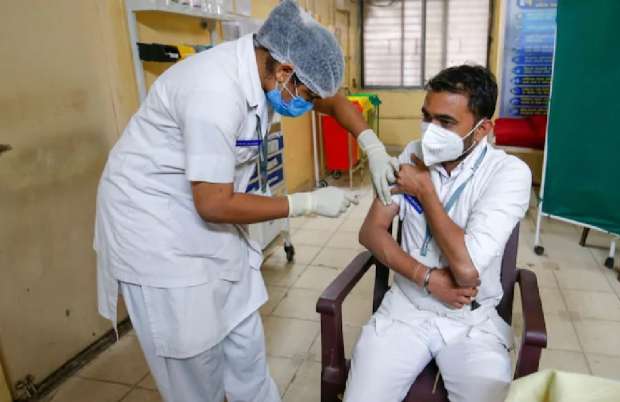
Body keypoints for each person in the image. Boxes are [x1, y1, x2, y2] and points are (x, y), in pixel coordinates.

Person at [93, 1, 397, 401]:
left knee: (243, 342)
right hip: (157, 231)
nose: (309, 104)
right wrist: (303, 204)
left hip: (209, 218)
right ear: (285, 72)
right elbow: (213, 203)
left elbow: (332, 99)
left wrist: (370, 143)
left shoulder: (271, 71)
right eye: (305, 94)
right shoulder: (213, 91)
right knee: (195, 368)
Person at [343, 65, 532, 402]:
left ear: (483, 128)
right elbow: (371, 232)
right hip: (406, 308)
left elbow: (466, 269)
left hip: (470, 322)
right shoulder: (413, 152)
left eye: (445, 122)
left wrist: (425, 191)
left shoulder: (508, 174)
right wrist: (426, 277)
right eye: (426, 117)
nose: (430, 131)